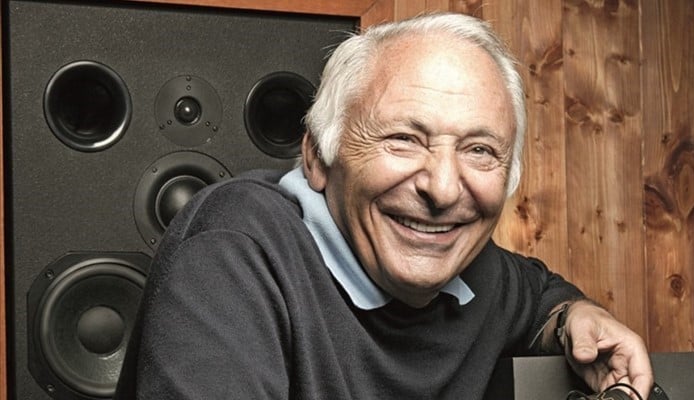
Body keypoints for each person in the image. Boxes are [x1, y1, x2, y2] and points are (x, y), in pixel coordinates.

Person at [115, 12, 653, 399]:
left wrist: (574, 318)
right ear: (318, 157)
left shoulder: (475, 271)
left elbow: (538, 295)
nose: (444, 189)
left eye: (479, 150)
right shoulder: (234, 248)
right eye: (403, 139)